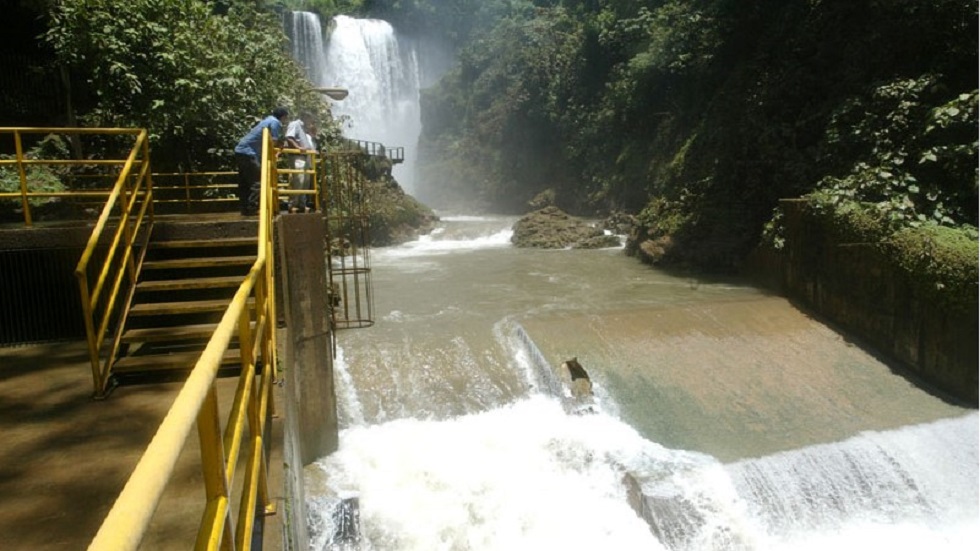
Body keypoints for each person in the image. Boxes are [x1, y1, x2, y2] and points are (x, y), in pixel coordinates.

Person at [234, 106, 290, 216]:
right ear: (283, 117)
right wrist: (280, 146)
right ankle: (252, 208)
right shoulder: (275, 122)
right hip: (249, 152)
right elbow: (273, 141)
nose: (286, 120)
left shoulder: (267, 120)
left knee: (245, 182)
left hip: (240, 150)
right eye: (286, 118)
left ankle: (244, 208)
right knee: (258, 181)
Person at [284, 112, 317, 213]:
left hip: (305, 157)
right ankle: (293, 204)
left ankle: (302, 205)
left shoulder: (303, 128)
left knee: (305, 182)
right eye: (309, 118)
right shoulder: (295, 124)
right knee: (299, 180)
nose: (310, 121)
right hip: (297, 156)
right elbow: (289, 137)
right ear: (304, 117)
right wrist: (298, 147)